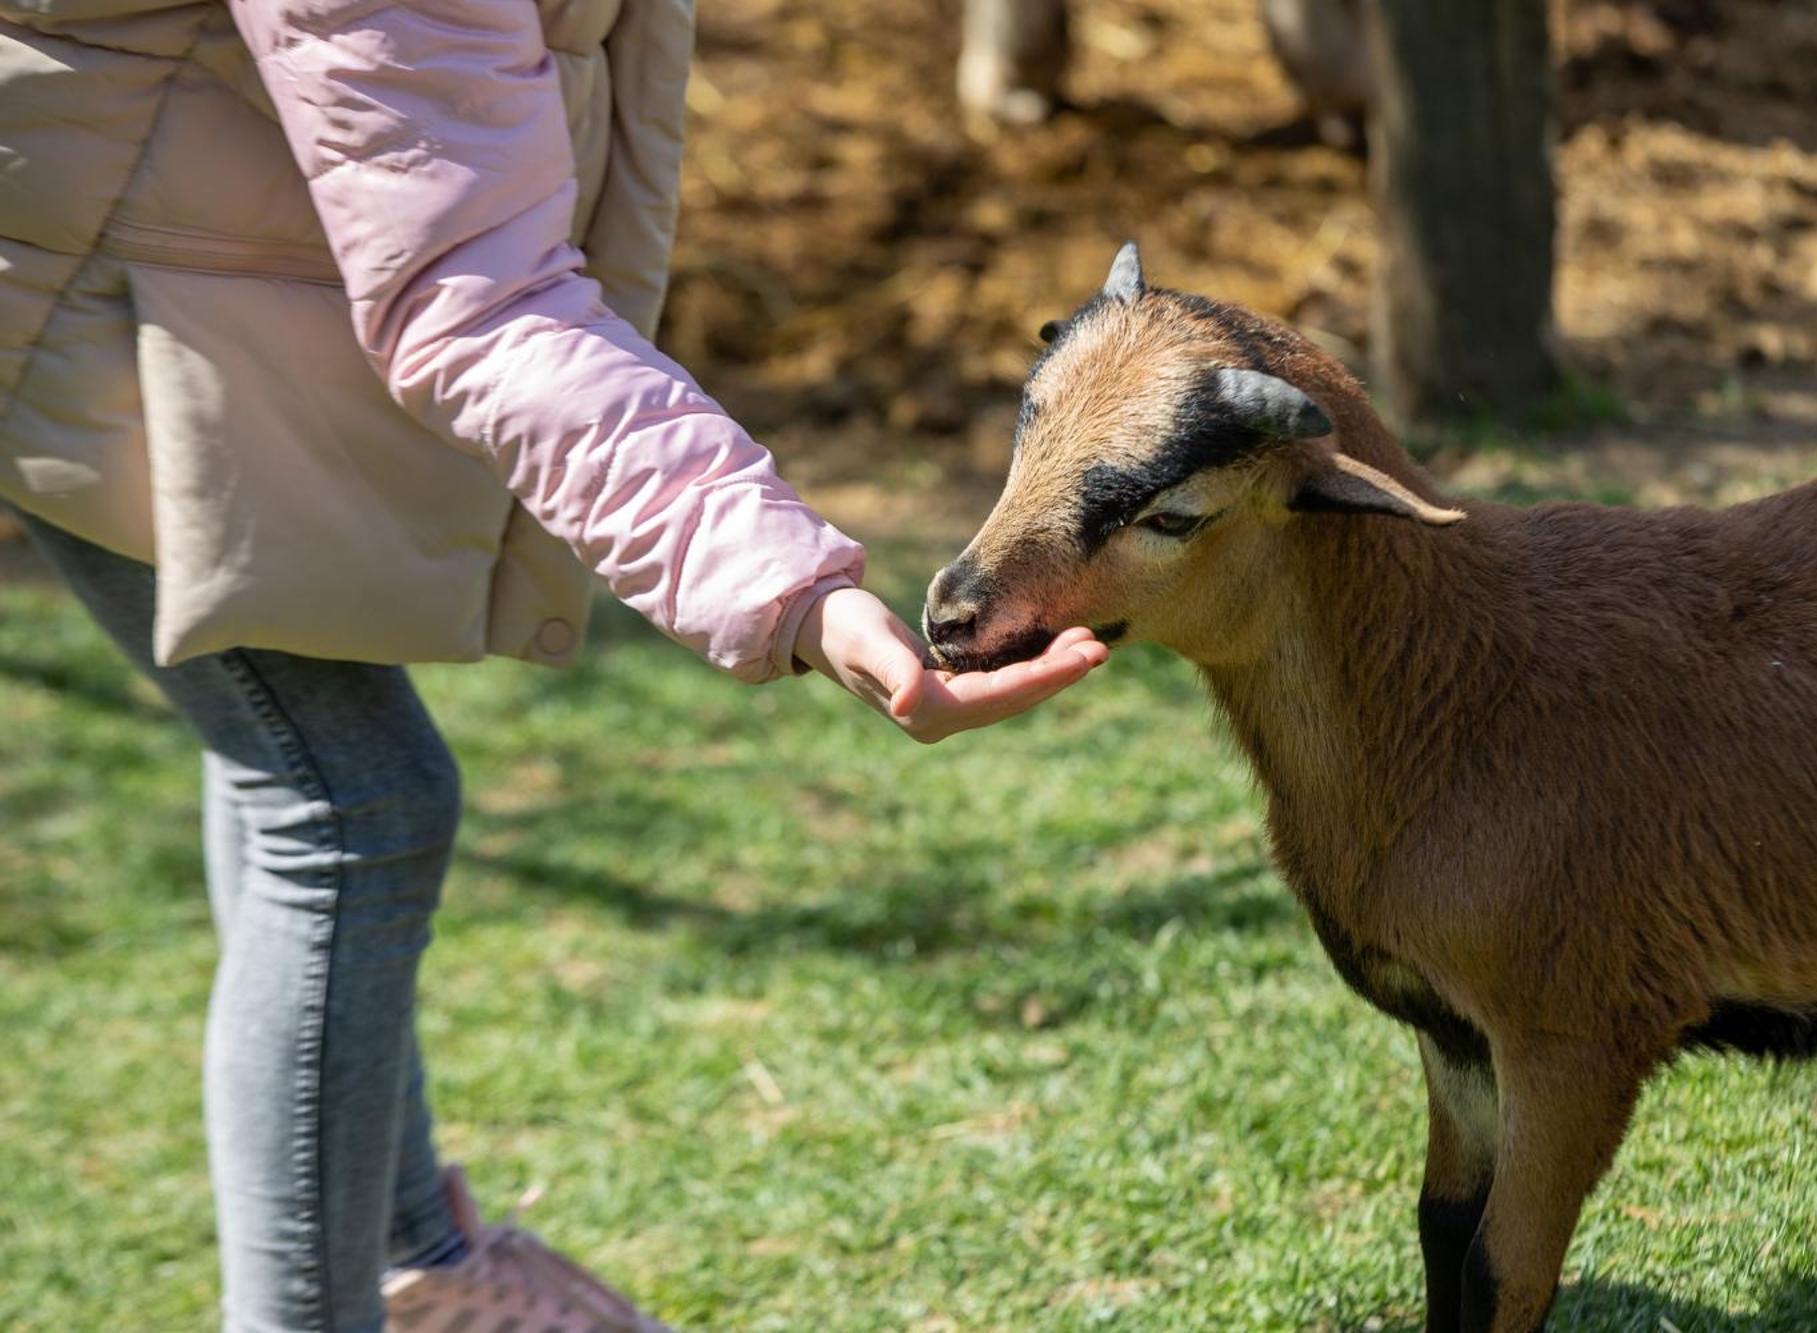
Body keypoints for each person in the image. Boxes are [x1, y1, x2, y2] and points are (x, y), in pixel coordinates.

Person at [0, 0, 1108, 1329]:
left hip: (156, 268)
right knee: (357, 802)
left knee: (298, 771)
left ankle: (417, 1257)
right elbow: (481, 294)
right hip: (66, 306)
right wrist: (795, 595)